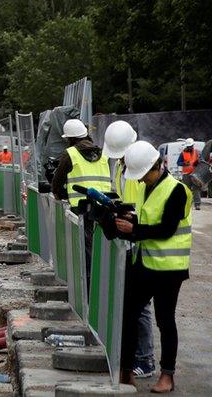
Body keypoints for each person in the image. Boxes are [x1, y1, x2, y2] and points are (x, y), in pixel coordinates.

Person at [116, 141, 191, 392]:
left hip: (169, 269)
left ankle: (167, 376)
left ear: (155, 167)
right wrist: (133, 220)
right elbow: (151, 219)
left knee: (165, 320)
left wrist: (135, 229)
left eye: (143, 175)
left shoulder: (177, 190)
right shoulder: (149, 186)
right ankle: (126, 372)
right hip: (145, 263)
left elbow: (166, 228)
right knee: (129, 316)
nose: (140, 180)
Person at [103, 120, 155, 379]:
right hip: (130, 238)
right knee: (133, 303)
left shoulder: (144, 165)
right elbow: (122, 195)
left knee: (142, 305)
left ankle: (145, 359)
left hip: (143, 240)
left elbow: (148, 206)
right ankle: (134, 354)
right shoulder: (121, 166)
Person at [52, 119, 112, 205]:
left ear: (70, 139)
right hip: (104, 205)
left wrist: (58, 193)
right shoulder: (103, 154)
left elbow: (58, 180)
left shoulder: (71, 154)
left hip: (80, 207)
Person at [177, 138, 201, 210]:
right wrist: (184, 163)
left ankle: (197, 205)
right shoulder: (183, 153)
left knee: (196, 189)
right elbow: (178, 162)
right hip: (186, 174)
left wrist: (198, 162)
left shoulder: (197, 152)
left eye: (191, 146)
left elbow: (201, 160)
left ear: (193, 145)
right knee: (187, 189)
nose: (190, 148)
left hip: (195, 173)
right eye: (188, 146)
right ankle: (187, 204)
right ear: (186, 146)